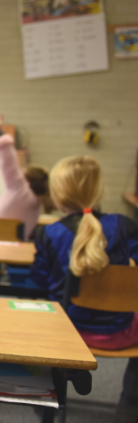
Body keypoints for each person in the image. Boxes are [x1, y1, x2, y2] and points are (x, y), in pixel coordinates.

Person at [30, 156, 138, 423]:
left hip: (67, 334)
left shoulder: (49, 233)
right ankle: (130, 405)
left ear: (57, 194)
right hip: (122, 333)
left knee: (39, 317)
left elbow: (39, 281)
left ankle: (47, 398)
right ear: (99, 190)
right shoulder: (125, 226)